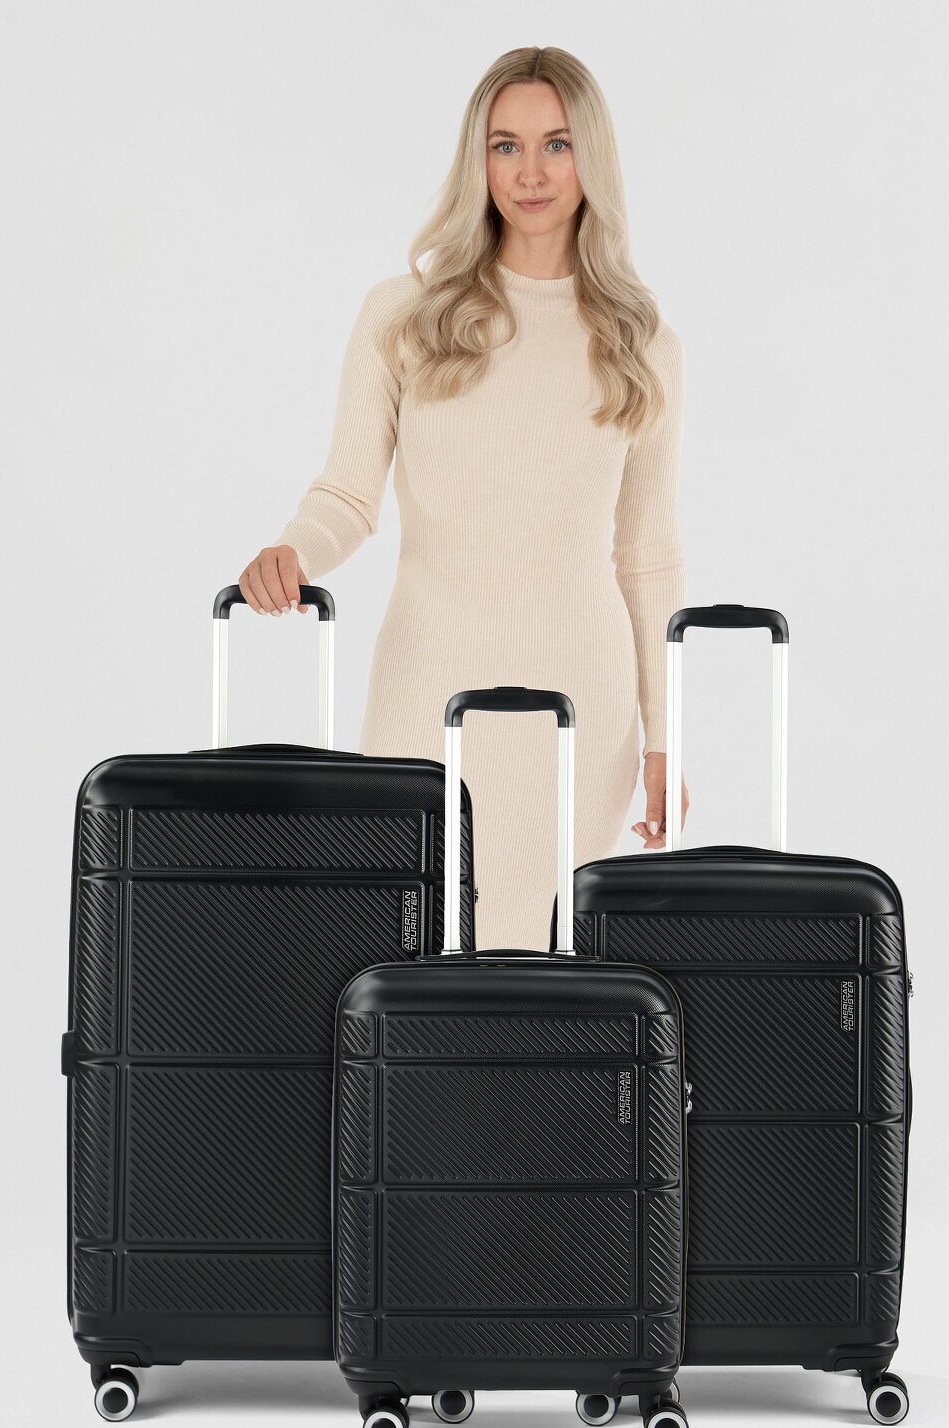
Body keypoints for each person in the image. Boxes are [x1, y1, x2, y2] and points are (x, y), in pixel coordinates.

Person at [238, 45, 690, 950]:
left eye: (557, 145)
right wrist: (293, 550)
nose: (531, 173)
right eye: (505, 145)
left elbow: (647, 557)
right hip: (424, 687)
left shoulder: (641, 344)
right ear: (477, 160)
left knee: (536, 974)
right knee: (404, 952)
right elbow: (346, 494)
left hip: (577, 709)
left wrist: (663, 738)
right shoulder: (405, 314)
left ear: (592, 157)